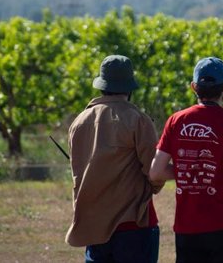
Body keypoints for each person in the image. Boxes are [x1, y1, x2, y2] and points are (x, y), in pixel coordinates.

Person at [150, 57, 223, 263]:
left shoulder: (176, 120)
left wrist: (187, 171)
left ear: (193, 87)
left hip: (188, 226)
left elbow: (156, 172)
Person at [66, 55, 163, 263]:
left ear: (102, 85)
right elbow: (153, 172)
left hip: (94, 224)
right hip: (134, 225)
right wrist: (155, 185)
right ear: (129, 87)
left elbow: (77, 171)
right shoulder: (138, 119)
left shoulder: (79, 122)